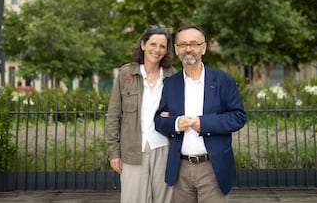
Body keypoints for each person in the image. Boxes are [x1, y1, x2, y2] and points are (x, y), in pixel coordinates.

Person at [154, 25, 247, 203]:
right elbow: (158, 120)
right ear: (176, 49)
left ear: (203, 48)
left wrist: (203, 123)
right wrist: (175, 123)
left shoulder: (223, 81)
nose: (188, 49)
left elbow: (238, 117)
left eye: (193, 43)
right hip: (180, 169)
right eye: (182, 44)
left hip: (213, 168)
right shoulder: (171, 84)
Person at [105, 25, 177, 203]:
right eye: (153, 44)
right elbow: (113, 116)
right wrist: (114, 153)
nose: (157, 50)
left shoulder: (173, 76)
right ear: (143, 45)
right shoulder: (126, 74)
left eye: (162, 46)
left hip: (164, 149)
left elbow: (182, 113)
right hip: (132, 150)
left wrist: (173, 116)